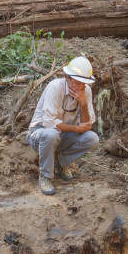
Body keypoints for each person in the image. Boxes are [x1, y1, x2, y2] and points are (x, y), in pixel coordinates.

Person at [27, 56, 100, 195]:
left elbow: (87, 124)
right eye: (78, 82)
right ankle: (45, 176)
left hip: (63, 136)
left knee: (92, 138)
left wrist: (83, 104)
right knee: (51, 134)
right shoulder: (55, 87)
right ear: (68, 77)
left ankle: (61, 163)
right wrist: (76, 129)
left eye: (84, 83)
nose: (81, 87)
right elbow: (49, 123)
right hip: (39, 134)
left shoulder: (86, 92)